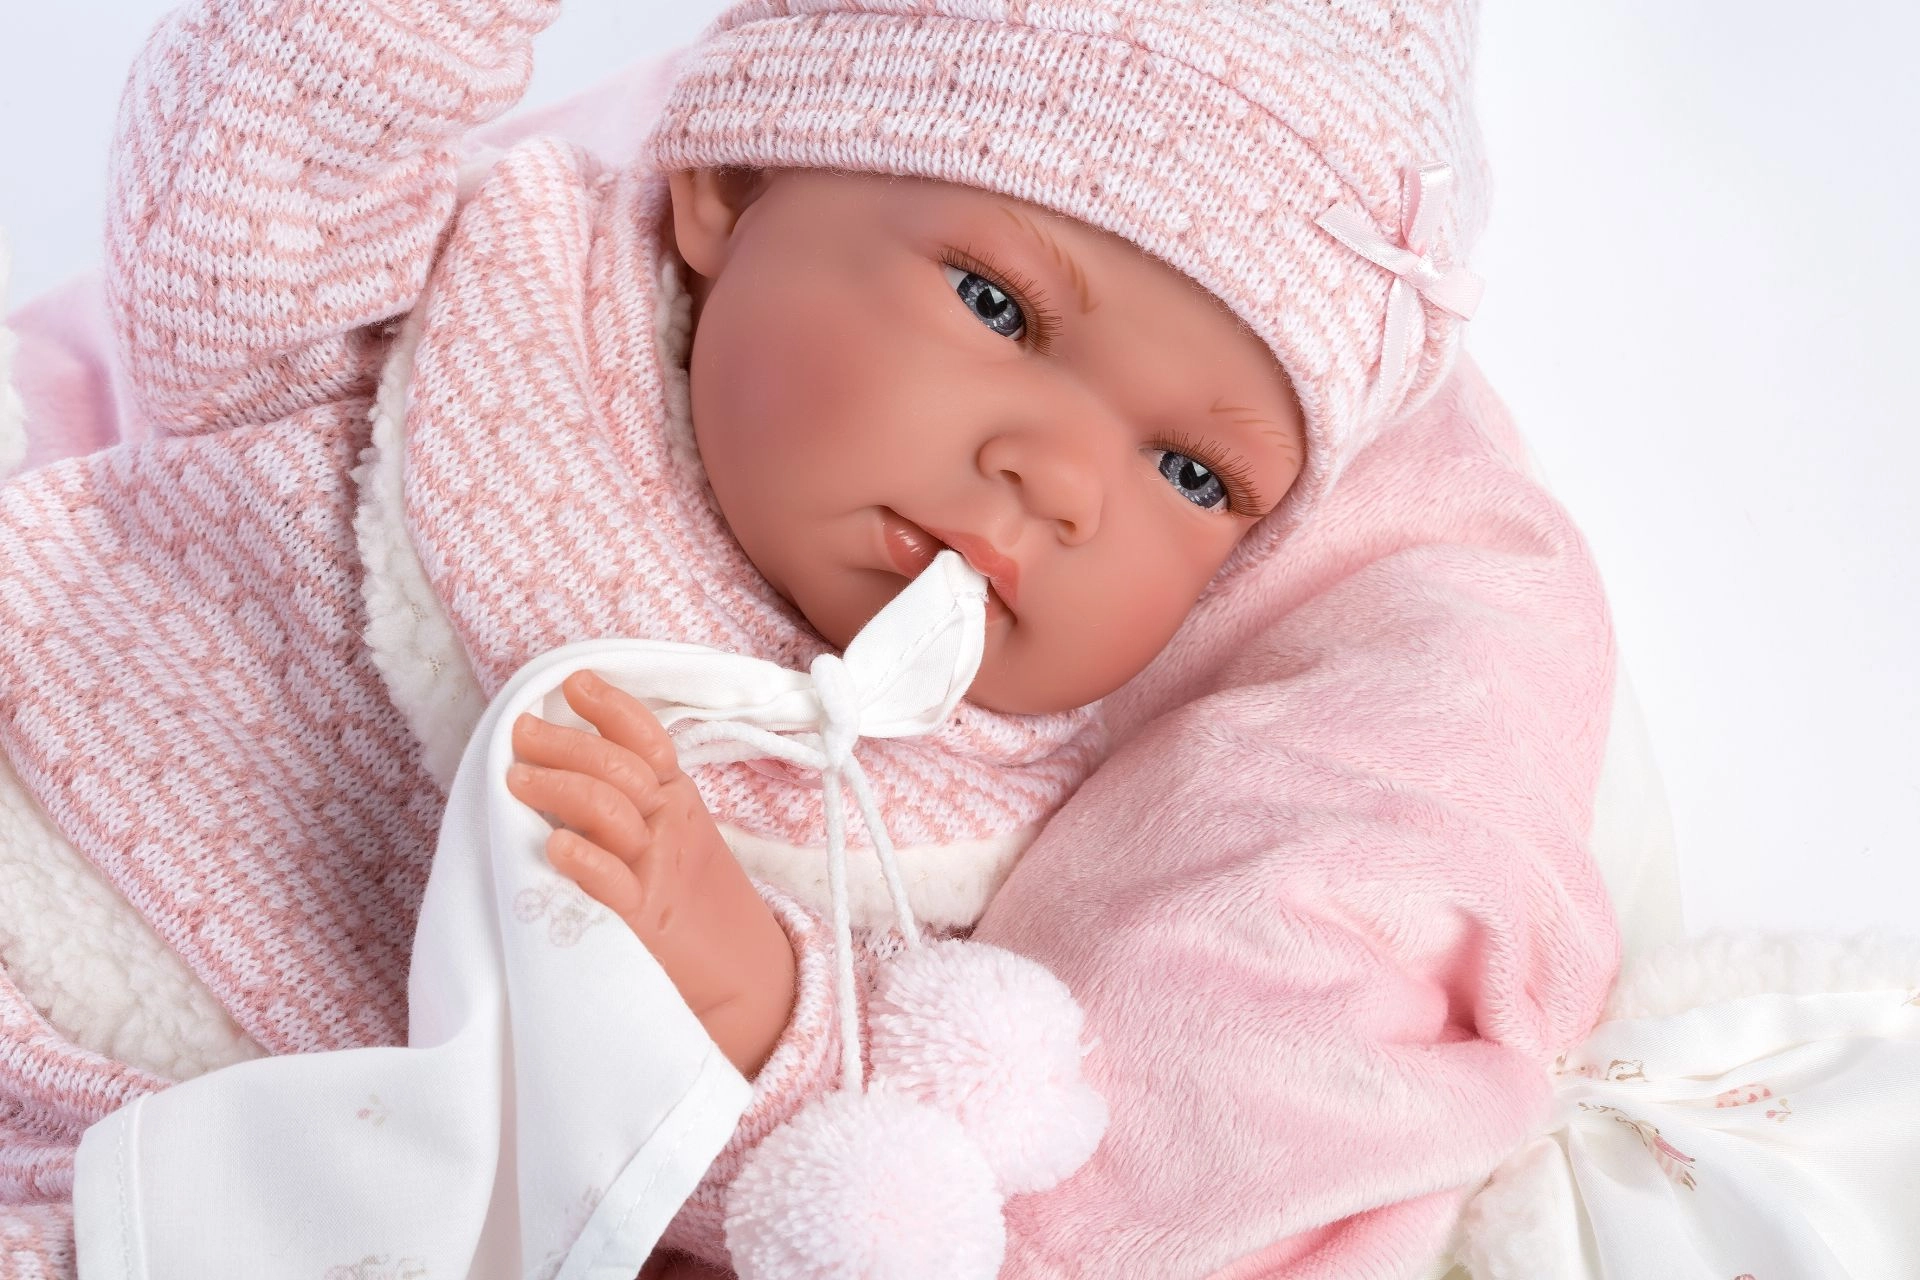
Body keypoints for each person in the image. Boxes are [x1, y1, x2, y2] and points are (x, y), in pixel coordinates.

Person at [0, 0, 1621, 1275]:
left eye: (1191, 475)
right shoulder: (495, 304)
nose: (1059, 480)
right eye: (997, 307)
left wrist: (739, 984)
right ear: (731, 188)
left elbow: (855, 1171)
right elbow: (245, 215)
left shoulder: (967, 812)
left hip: (192, 1184)